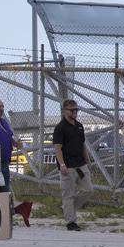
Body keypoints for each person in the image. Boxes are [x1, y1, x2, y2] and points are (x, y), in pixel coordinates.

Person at [52, 99, 94, 231]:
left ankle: (67, 208)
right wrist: (62, 164)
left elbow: (82, 145)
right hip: (68, 166)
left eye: (76, 110)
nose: (75, 112)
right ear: (65, 111)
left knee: (88, 190)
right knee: (68, 194)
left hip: (80, 164)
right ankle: (71, 222)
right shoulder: (60, 128)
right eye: (72, 110)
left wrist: (88, 161)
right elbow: (58, 148)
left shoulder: (79, 126)